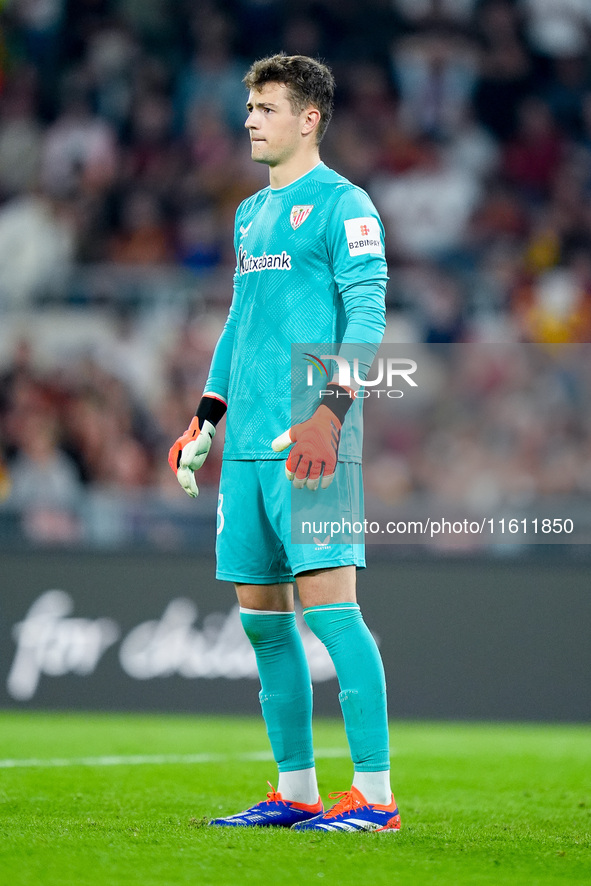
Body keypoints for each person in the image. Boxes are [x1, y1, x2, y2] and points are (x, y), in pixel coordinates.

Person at [169, 54, 400, 833]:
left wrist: (331, 414)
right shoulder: (249, 214)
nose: (248, 121)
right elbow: (239, 324)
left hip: (313, 438)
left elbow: (367, 319)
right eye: (249, 108)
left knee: (333, 612)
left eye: (265, 108)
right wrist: (205, 417)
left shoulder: (345, 204)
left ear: (308, 118)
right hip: (248, 451)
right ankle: (296, 790)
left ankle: (373, 796)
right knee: (262, 617)